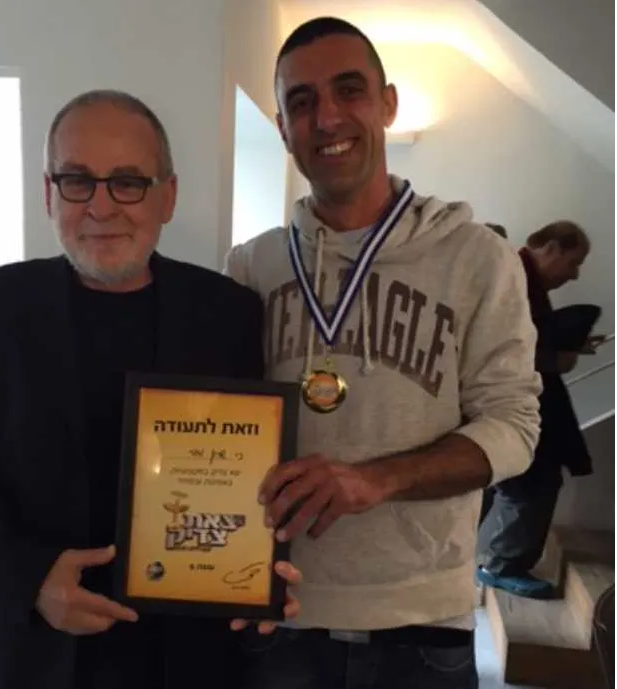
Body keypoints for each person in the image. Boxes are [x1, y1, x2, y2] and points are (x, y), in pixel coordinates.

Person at [0, 89, 301, 689]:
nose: (101, 206)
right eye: (76, 181)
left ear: (167, 196)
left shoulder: (228, 313)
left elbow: (253, 467)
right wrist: (31, 578)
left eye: (127, 182)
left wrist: (261, 573)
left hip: (190, 656)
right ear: (49, 194)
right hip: (39, 655)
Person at [224, 17, 541, 689]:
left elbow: (515, 427)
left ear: (388, 104)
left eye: (349, 90)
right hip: (280, 613)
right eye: (302, 102)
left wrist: (375, 479)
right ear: (281, 127)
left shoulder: (477, 258)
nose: (327, 118)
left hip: (420, 623)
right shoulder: (251, 266)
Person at [477, 221, 599, 599]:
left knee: (509, 484)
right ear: (551, 248)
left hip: (505, 406)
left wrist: (570, 347)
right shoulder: (513, 277)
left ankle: (490, 562)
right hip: (506, 406)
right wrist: (553, 359)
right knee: (532, 484)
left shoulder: (521, 278)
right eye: (573, 262)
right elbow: (496, 348)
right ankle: (503, 566)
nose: (574, 275)